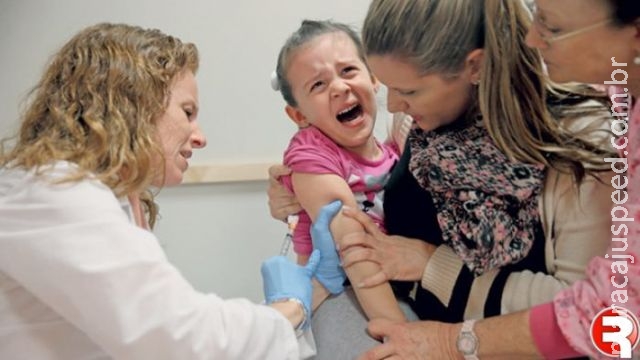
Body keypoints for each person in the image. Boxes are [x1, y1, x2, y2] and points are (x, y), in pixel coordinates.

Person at [267, 0, 619, 357]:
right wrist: (301, 191)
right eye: (387, 85)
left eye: (409, 91)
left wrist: (431, 265)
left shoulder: (586, 151)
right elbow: (367, 187)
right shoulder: (417, 123)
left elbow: (594, 313)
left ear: (475, 67)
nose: (392, 105)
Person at [0, 22, 338, 359]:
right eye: (187, 112)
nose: (200, 136)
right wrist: (292, 306)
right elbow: (180, 338)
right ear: (132, 103)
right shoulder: (54, 191)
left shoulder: (106, 197)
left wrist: (301, 301)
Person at [272, 19, 408, 323]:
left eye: (348, 70)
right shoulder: (310, 155)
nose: (338, 87)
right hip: (338, 292)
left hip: (401, 281)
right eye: (317, 84)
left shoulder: (397, 147)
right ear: (298, 114)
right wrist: (398, 331)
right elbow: (354, 247)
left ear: (374, 78)